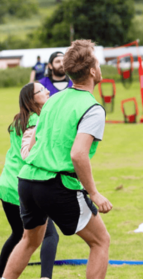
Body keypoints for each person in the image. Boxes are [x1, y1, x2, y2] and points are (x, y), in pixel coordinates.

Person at [2, 39, 112, 279]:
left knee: (29, 241)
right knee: (101, 241)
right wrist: (94, 193)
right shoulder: (93, 109)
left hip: (27, 181)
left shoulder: (52, 100)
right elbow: (78, 154)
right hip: (56, 184)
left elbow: (31, 145)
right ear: (93, 70)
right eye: (98, 62)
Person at [0, 83, 59, 279]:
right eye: (41, 90)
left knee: (19, 235)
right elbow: (30, 154)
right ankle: (45, 277)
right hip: (23, 186)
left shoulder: (20, 119)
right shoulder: (35, 120)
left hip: (6, 185)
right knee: (50, 235)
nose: (47, 91)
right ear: (32, 99)